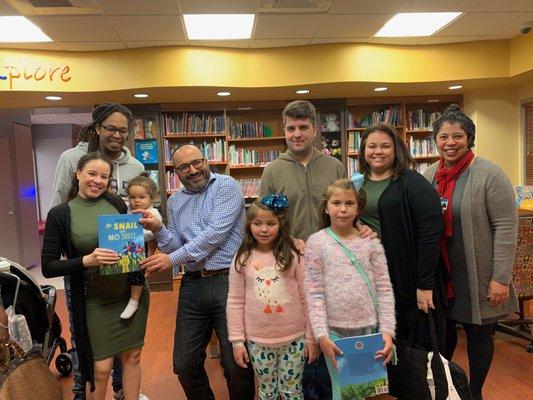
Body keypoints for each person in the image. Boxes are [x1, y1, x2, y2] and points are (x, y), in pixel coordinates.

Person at [139, 144, 255, 400]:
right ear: (175, 171)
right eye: (184, 167)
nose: (192, 170)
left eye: (197, 162)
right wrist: (158, 228)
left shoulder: (226, 186)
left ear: (205, 161)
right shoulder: (175, 201)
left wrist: (171, 260)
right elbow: (178, 245)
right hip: (192, 284)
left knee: (235, 363)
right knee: (184, 364)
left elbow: (213, 236)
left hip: (228, 281)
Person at [423, 104, 519, 400]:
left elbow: (506, 226)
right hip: (443, 273)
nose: (450, 143)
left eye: (458, 136)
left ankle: (475, 392)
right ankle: (449, 389)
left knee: (479, 335)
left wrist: (500, 278)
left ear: (469, 139)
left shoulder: (490, 174)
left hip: (478, 274)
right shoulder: (429, 175)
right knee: (445, 335)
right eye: (443, 137)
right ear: (435, 140)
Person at [50, 103, 145, 400]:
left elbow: (138, 209)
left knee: (129, 355)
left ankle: (121, 391)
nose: (117, 135)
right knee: (88, 348)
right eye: (111, 128)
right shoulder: (71, 159)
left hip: (124, 268)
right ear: (98, 128)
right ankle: (82, 393)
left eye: (123, 130)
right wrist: (79, 258)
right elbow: (58, 209)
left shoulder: (136, 168)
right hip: (85, 273)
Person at [259, 99, 345, 399]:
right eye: (291, 128)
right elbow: (265, 220)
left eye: (303, 128)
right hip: (290, 261)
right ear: (284, 131)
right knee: (299, 325)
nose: (297, 134)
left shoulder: (334, 165)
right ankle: (302, 388)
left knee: (329, 320)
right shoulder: (272, 170)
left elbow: (345, 208)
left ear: (315, 130)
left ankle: (330, 386)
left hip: (330, 259)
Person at [304, 178, 396, 400]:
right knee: (341, 392)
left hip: (369, 331)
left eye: (349, 203)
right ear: (326, 207)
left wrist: (387, 331)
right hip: (334, 332)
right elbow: (314, 292)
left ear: (358, 208)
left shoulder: (371, 243)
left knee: (364, 391)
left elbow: (384, 289)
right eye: (336, 203)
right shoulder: (316, 242)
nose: (343, 209)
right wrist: (321, 335)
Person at [357, 123, 446, 350]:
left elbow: (430, 232)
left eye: (385, 146)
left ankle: (415, 385)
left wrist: (424, 284)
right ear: (363, 151)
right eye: (372, 146)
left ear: (396, 150)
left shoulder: (413, 183)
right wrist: (358, 226)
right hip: (372, 274)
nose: (378, 151)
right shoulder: (358, 184)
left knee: (412, 339)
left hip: (405, 275)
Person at [227, 194, 317, 400]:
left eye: (271, 223)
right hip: (258, 341)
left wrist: (312, 336)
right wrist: (237, 342)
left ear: (281, 224)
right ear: (249, 225)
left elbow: (307, 296)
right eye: (257, 224)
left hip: (295, 339)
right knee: (267, 392)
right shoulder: (242, 258)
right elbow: (235, 301)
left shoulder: (294, 254)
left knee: (292, 391)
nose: (264, 229)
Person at [121, 173, 162, 320]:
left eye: (142, 197)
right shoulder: (129, 210)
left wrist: (130, 232)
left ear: (152, 198)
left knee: (136, 273)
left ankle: (134, 300)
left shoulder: (153, 213)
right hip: (126, 247)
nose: (136, 201)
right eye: (132, 197)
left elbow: (152, 233)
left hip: (141, 249)